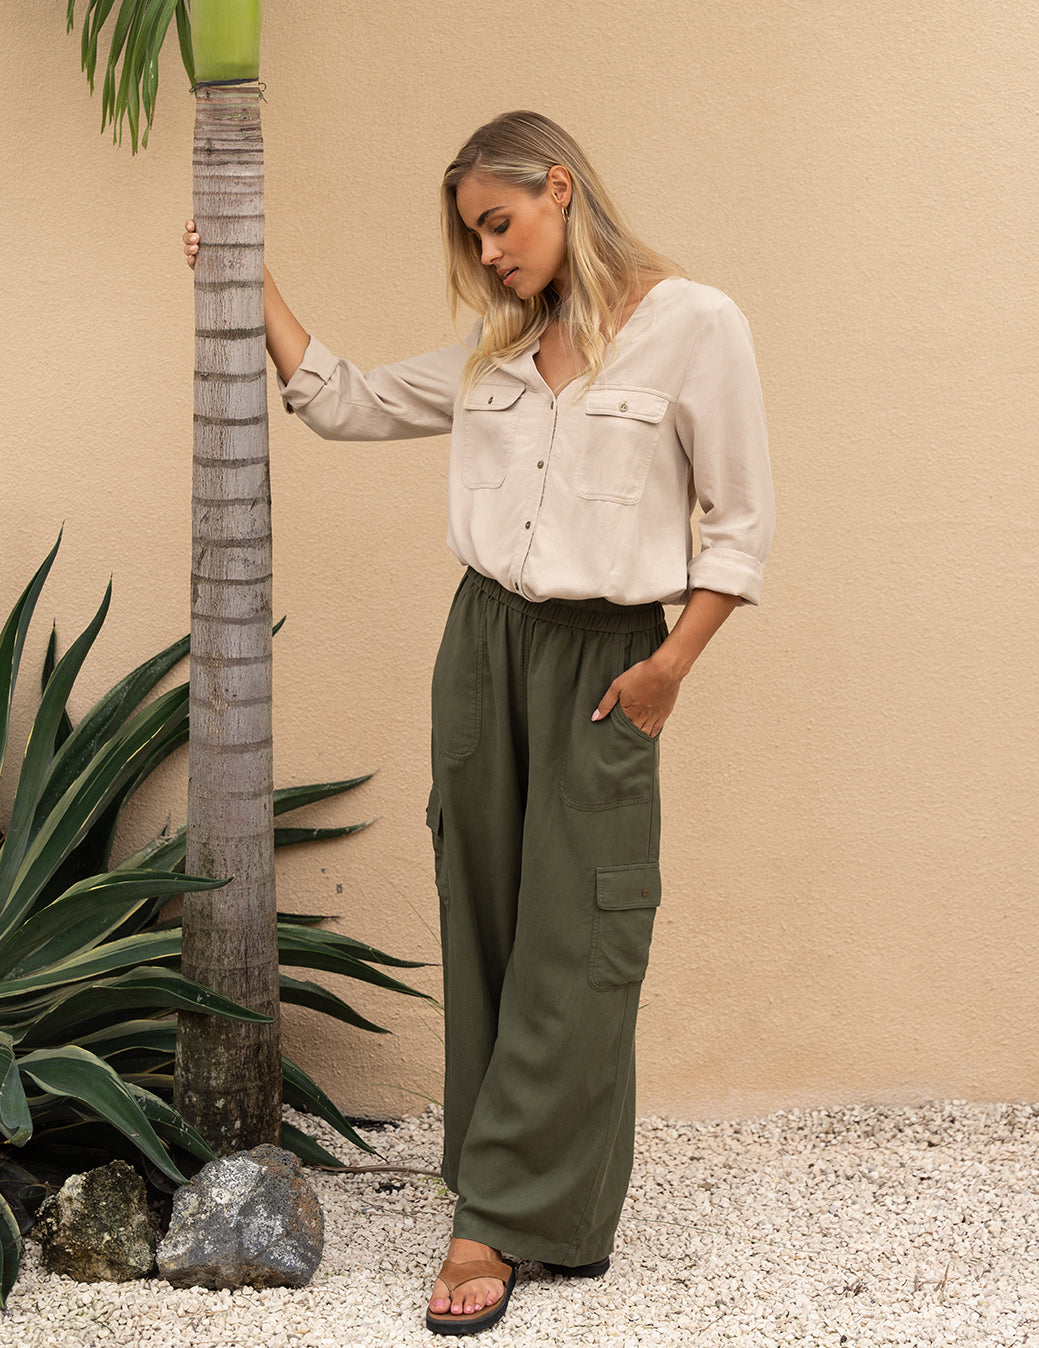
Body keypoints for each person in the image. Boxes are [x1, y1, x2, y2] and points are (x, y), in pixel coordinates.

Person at [184, 109, 774, 1336]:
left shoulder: (693, 326)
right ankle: (542, 1204)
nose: (491, 254)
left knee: (587, 932)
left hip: (609, 657)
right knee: (492, 921)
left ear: (560, 187)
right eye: (476, 237)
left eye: (500, 224)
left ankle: (490, 1220)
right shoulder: (494, 353)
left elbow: (739, 522)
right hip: (483, 646)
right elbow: (336, 399)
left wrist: (672, 663)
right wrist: (249, 277)